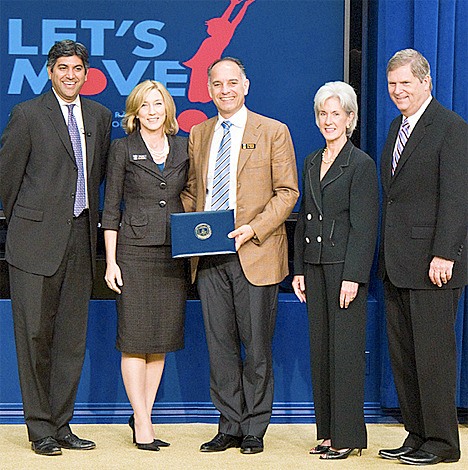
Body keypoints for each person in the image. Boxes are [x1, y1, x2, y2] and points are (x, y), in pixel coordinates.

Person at [181, 57, 298, 454]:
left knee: (257, 347)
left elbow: (287, 193)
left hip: (256, 252)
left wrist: (254, 229)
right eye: (217, 83)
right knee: (220, 346)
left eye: (233, 82)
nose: (225, 90)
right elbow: (192, 189)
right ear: (208, 88)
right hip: (209, 255)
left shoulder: (273, 131)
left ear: (246, 85)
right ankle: (228, 423)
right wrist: (189, 227)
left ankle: (254, 428)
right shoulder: (198, 133)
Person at [0, 40, 112, 456]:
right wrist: (33, 222)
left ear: (86, 74)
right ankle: (39, 428)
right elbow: (7, 181)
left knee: (70, 340)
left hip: (81, 242)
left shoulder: (100, 118)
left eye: (77, 68)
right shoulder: (27, 114)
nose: (70, 74)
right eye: (62, 67)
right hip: (33, 245)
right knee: (33, 337)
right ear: (50, 71)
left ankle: (62, 424)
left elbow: (95, 175)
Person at [378, 49, 467, 465]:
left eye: (405, 84)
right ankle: (416, 434)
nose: (398, 91)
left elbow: (457, 199)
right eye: (392, 84)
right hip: (398, 264)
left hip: (434, 266)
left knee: (433, 357)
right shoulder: (397, 126)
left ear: (425, 82)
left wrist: (444, 254)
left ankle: (443, 443)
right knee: (406, 356)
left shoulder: (451, 128)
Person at [292, 82, 378, 460]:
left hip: (344, 270)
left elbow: (365, 227)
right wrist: (297, 269)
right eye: (323, 114)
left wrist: (355, 276)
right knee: (321, 352)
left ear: (349, 119)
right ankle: (327, 432)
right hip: (313, 267)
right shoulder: (312, 160)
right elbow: (303, 220)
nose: (329, 120)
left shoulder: (360, 164)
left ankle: (348, 436)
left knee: (344, 354)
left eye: (336, 114)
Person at [101, 80, 188, 452]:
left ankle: (142, 415)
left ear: (167, 110)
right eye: (145, 106)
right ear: (134, 114)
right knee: (135, 340)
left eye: (158, 104)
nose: (152, 112)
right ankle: (144, 424)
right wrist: (110, 262)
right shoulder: (122, 149)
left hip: (174, 252)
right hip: (133, 254)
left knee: (160, 342)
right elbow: (110, 208)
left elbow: (193, 193)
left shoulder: (185, 146)